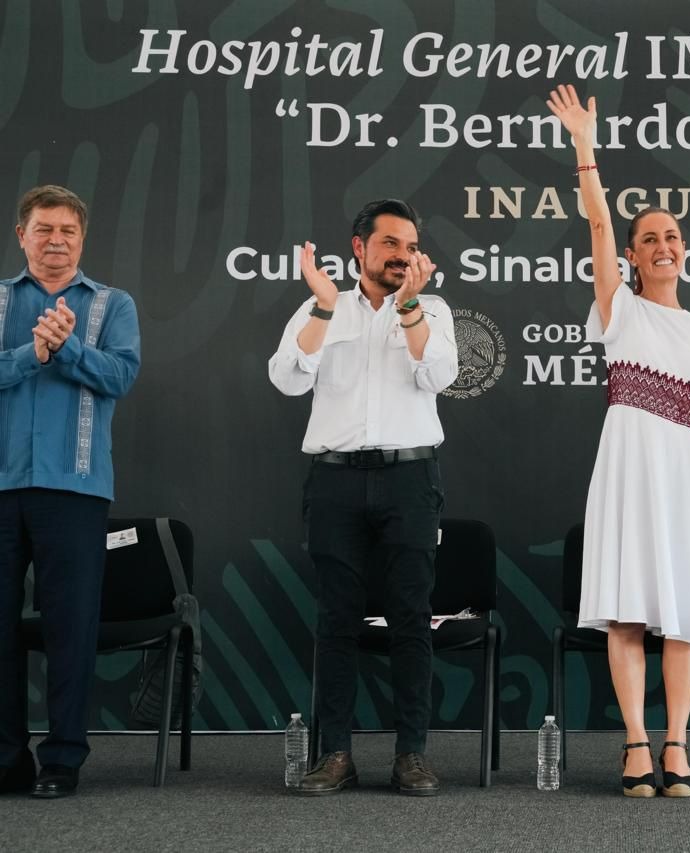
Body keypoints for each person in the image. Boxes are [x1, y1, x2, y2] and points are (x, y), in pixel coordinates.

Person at [547, 84, 690, 799]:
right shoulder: (619, 309)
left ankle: (677, 745)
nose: (664, 245)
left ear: (685, 252)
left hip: (687, 480)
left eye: (673, 236)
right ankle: (635, 744)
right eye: (650, 238)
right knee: (627, 609)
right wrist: (584, 146)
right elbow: (596, 221)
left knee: (683, 612)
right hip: (628, 473)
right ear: (630, 254)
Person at [268, 199, 458, 796]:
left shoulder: (432, 309)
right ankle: (335, 754)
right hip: (336, 481)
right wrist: (324, 307)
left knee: (411, 617)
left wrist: (409, 309)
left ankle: (412, 755)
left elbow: (440, 376)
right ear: (360, 248)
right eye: (390, 244)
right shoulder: (321, 306)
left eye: (411, 246)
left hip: (410, 479)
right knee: (337, 618)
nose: (403, 255)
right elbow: (287, 378)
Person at [0, 185, 141, 798]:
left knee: (71, 627)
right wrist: (33, 352)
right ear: (21, 235)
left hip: (75, 489)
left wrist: (68, 346)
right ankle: (7, 758)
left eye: (68, 231)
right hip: (2, 485)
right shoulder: (0, 300)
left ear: (82, 239)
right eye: (44, 229)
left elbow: (121, 376)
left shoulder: (113, 304)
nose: (56, 240)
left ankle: (62, 759)